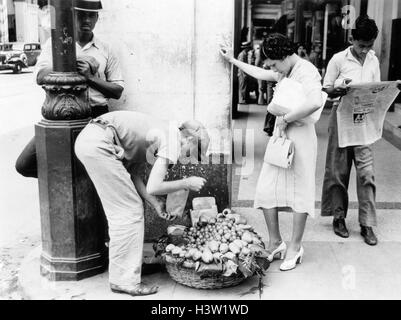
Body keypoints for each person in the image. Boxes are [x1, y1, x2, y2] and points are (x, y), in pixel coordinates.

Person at [74, 110, 210, 296]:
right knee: (128, 211)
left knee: (129, 207)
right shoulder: (173, 140)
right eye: (196, 154)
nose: (189, 161)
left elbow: (132, 173)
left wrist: (155, 203)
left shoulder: (160, 133)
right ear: (190, 140)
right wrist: (187, 182)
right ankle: (124, 280)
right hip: (99, 144)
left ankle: (130, 268)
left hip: (95, 140)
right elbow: (154, 186)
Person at [220, 33, 324, 271]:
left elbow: (316, 101)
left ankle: (295, 247)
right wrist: (233, 61)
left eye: (274, 63)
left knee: (300, 189)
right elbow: (260, 73)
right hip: (282, 135)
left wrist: (286, 118)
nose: (271, 67)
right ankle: (276, 241)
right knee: (267, 187)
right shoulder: (285, 69)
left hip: (301, 136)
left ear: (286, 56)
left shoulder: (306, 70)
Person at [15, 0, 124, 178]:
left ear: (97, 18)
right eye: (81, 15)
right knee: (24, 164)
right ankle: (65, 183)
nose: (86, 20)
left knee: (95, 167)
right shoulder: (55, 44)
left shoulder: (106, 49)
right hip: (60, 114)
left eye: (91, 15)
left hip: (96, 115)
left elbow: (117, 90)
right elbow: (40, 76)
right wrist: (72, 63)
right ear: (71, 16)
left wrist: (90, 78)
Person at [320, 15, 401, 246]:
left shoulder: (373, 60)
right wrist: (338, 90)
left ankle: (367, 223)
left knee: (367, 174)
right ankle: (338, 218)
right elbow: (325, 89)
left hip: (364, 121)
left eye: (369, 46)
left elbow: (375, 88)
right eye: (361, 45)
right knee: (337, 172)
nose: (365, 51)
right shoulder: (338, 60)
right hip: (341, 118)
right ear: (352, 39)